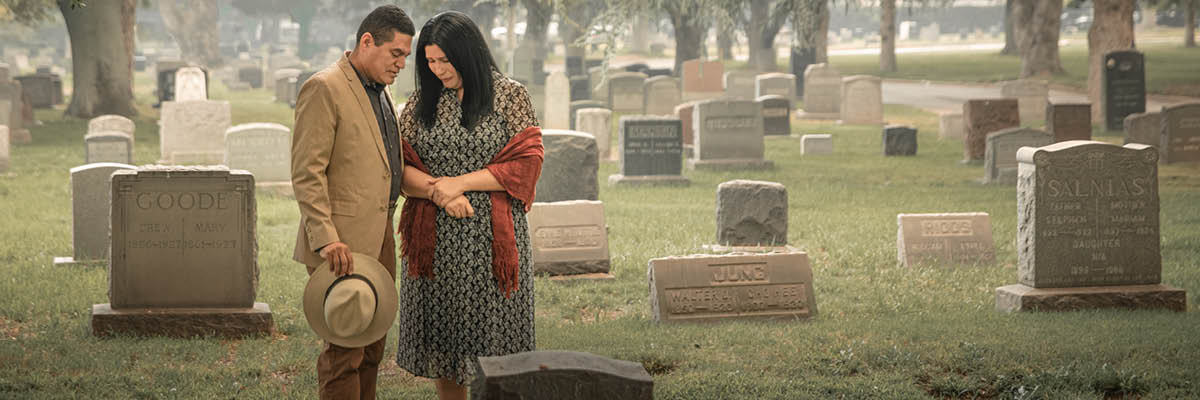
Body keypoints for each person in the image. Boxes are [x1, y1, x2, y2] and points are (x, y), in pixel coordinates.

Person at [394, 11, 543, 400]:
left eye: (445, 60)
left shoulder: (510, 96)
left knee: (495, 340)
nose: (438, 69)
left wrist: (458, 183)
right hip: (435, 243)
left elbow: (525, 164)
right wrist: (438, 192)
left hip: (491, 242)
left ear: (469, 54)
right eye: (430, 61)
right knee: (445, 342)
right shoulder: (422, 101)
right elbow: (399, 165)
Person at [290, 5, 413, 399]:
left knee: (373, 346)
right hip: (340, 244)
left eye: (405, 58)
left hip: (380, 237)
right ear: (366, 41)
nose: (401, 65)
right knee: (345, 351)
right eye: (396, 54)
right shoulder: (324, 87)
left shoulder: (380, 91)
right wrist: (326, 239)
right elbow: (308, 173)